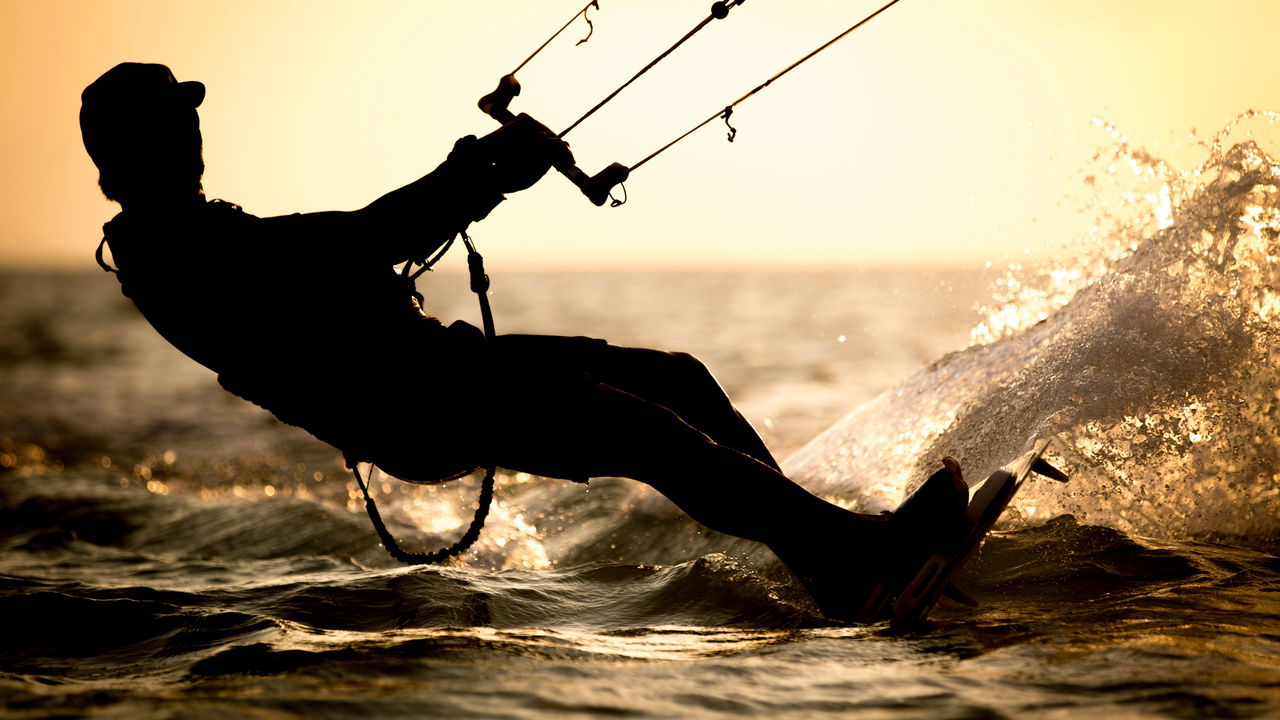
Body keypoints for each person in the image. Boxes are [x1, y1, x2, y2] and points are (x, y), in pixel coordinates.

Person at [79, 62, 968, 622]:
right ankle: (866, 554)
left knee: (677, 382)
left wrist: (474, 180)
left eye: (190, 114)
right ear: (141, 149)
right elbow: (354, 238)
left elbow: (330, 257)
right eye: (174, 120)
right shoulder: (174, 249)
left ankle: (837, 571)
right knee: (647, 434)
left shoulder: (188, 234)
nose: (194, 129)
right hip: (420, 403)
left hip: (441, 371)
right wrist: (477, 174)